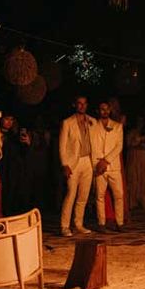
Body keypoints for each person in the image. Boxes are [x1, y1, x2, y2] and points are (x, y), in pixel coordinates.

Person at [58, 96, 97, 236]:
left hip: (88, 161)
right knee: (71, 194)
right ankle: (64, 226)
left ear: (87, 105)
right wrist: (64, 164)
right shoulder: (67, 122)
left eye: (84, 104)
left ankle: (78, 224)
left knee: (83, 195)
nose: (82, 106)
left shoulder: (92, 121)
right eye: (79, 103)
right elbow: (62, 146)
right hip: (74, 162)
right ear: (75, 105)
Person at [91, 101, 125, 232]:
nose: (104, 111)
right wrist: (97, 164)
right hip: (99, 165)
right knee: (99, 195)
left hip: (113, 166)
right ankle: (101, 223)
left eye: (106, 109)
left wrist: (107, 161)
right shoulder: (93, 126)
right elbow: (93, 147)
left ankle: (120, 222)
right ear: (98, 111)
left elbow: (119, 147)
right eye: (102, 109)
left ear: (110, 110)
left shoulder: (117, 126)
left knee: (119, 195)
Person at [126, 116, 145, 211]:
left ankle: (144, 201)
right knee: (134, 178)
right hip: (134, 158)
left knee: (144, 179)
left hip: (144, 158)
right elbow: (128, 143)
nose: (140, 124)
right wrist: (136, 143)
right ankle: (132, 201)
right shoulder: (132, 133)